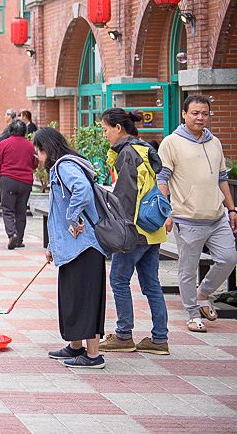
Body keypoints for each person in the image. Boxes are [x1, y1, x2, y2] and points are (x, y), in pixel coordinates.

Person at [156, 94, 237, 333]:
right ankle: (192, 313)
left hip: (217, 216)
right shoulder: (171, 142)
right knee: (188, 269)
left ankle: (203, 294)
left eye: (205, 113)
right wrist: (166, 212)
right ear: (184, 114)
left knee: (229, 258)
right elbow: (163, 179)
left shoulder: (215, 143)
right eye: (195, 113)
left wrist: (231, 209)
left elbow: (222, 178)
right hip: (187, 218)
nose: (200, 117)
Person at [34, 127, 107, 369]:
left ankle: (93, 355)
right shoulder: (62, 166)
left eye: (38, 149)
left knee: (85, 299)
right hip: (72, 248)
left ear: (47, 148)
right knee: (72, 298)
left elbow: (82, 191)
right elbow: (56, 216)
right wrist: (52, 245)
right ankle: (75, 346)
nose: (36, 154)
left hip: (84, 248)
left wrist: (73, 217)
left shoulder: (65, 166)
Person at [97, 109, 169, 355]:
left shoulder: (128, 153)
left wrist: (117, 231)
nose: (104, 134)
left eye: (105, 129)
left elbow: (124, 198)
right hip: (153, 229)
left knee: (118, 279)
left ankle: (124, 335)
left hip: (135, 230)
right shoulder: (142, 149)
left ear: (118, 128)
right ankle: (159, 339)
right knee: (151, 285)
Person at [0, 119, 37, 251]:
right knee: (21, 211)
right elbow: (35, 164)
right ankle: (19, 239)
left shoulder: (3, 144)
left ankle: (12, 234)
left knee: (7, 209)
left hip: (8, 180)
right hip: (25, 181)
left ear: (10, 130)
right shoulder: (31, 146)